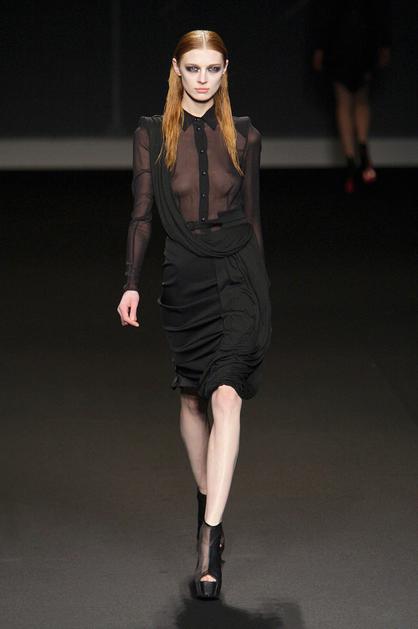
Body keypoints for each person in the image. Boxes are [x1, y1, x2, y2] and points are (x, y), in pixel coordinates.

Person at [116, 30, 272, 600]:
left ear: (225, 70)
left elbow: (252, 218)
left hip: (237, 275)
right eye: (193, 68)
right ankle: (210, 502)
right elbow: (142, 215)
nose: (203, 78)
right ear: (176, 70)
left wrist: (262, 290)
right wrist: (131, 284)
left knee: (226, 396)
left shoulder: (245, 134)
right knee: (190, 398)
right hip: (183, 279)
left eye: (212, 68)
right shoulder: (152, 134)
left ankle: (209, 539)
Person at [311, 0, 392, 192]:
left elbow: (324, 13)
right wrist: (385, 42)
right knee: (359, 99)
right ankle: (360, 149)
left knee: (345, 101)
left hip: (345, 38)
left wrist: (319, 47)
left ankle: (351, 159)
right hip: (359, 36)